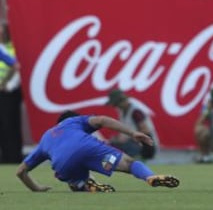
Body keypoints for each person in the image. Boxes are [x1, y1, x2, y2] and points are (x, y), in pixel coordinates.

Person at [16, 110, 179, 192]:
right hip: (90, 150)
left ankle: (84, 185)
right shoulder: (74, 121)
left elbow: (21, 171)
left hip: (64, 164)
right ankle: (149, 177)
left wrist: (36, 188)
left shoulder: (46, 138)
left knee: (68, 177)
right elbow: (102, 120)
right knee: (129, 163)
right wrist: (132, 133)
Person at [106, 89, 159, 160]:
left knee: (116, 148)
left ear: (121, 102)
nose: (116, 106)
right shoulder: (122, 111)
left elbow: (145, 131)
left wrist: (129, 137)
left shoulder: (136, 112)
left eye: (116, 104)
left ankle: (116, 164)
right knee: (111, 145)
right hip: (135, 143)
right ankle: (111, 164)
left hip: (147, 146)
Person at [0, 23, 22, 163]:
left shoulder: (11, 48)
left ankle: (12, 158)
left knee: (9, 126)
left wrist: (7, 84)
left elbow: (16, 65)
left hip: (8, 92)